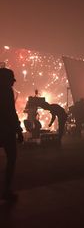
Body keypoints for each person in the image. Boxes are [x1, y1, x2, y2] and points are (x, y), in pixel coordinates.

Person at [0, 68, 23, 201]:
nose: (13, 82)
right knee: (12, 158)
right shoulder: (6, 91)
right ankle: (6, 191)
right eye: (11, 79)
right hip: (6, 131)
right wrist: (19, 130)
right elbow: (11, 113)